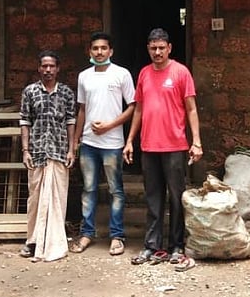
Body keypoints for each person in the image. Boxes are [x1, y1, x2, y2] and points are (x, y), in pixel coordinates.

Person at [123, 28, 202, 266]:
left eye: (161, 48)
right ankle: (152, 246)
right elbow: (138, 108)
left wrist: (196, 141)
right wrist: (130, 141)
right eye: (153, 48)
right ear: (148, 49)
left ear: (169, 48)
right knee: (153, 198)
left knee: (176, 198)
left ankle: (177, 245)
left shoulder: (180, 72)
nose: (157, 52)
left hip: (175, 145)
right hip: (149, 146)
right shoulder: (145, 74)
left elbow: (191, 109)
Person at [70, 32, 136, 256]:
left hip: (112, 143)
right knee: (88, 189)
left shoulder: (121, 74)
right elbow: (82, 109)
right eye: (95, 48)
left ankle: (116, 236)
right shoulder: (84, 77)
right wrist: (76, 140)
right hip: (89, 142)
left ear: (111, 51)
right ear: (90, 51)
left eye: (103, 48)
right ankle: (87, 233)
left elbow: (133, 107)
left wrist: (110, 125)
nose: (99, 52)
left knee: (115, 190)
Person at [19, 50, 77, 262]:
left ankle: (53, 242)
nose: (48, 70)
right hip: (36, 153)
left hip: (59, 152)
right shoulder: (30, 92)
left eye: (52, 66)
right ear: (39, 68)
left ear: (58, 69)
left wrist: (72, 149)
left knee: (57, 199)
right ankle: (32, 241)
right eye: (44, 66)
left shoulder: (66, 93)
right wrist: (25, 150)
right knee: (35, 199)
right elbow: (25, 121)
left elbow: (71, 122)